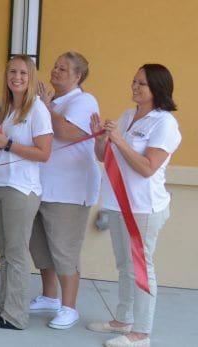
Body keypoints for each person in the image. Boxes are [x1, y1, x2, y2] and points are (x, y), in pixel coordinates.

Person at [86, 64, 181, 347]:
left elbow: (147, 167)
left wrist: (119, 141)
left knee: (141, 267)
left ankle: (141, 332)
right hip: (117, 203)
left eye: (142, 83)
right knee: (124, 264)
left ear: (157, 89)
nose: (135, 87)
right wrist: (101, 138)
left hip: (143, 208)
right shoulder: (129, 116)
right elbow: (105, 157)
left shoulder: (164, 123)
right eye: (134, 81)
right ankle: (123, 319)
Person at [0, 54, 53, 330]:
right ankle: (4, 306)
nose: (16, 77)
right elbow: (0, 148)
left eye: (22, 73)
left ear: (30, 77)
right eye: (12, 72)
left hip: (21, 189)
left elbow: (44, 153)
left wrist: (6, 144)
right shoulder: (5, 109)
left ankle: (16, 316)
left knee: (17, 253)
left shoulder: (37, 110)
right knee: (4, 252)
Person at [28, 52, 101, 329]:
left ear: (77, 76)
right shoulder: (51, 101)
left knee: (64, 251)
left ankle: (69, 307)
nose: (55, 71)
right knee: (41, 248)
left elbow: (68, 133)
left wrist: (46, 107)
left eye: (63, 69)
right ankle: (49, 297)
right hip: (40, 187)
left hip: (69, 191)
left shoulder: (84, 101)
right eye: (55, 66)